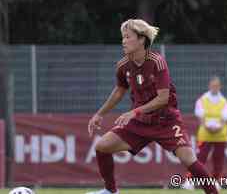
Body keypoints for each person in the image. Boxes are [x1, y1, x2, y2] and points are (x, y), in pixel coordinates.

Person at [87, 19, 219, 194]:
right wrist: (99, 114)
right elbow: (119, 90)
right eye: (122, 37)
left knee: (189, 160)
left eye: (128, 37)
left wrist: (133, 112)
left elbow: (163, 98)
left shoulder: (157, 61)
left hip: (166, 120)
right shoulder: (123, 66)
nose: (123, 41)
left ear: (142, 39)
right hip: (140, 122)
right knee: (102, 146)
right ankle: (111, 191)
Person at [182, 76, 227, 190]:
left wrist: (218, 127)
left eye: (217, 85)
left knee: (218, 160)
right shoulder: (202, 99)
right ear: (210, 86)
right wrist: (208, 126)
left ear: (220, 87)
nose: (215, 87)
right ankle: (189, 181)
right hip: (205, 135)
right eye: (213, 85)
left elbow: (225, 117)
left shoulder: (224, 101)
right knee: (199, 159)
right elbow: (200, 115)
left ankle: (216, 182)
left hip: (220, 135)